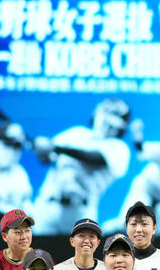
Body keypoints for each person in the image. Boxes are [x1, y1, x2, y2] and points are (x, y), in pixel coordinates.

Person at [31, 98, 133, 231]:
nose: (107, 127)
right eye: (104, 120)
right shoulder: (76, 133)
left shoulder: (119, 148)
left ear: (121, 129)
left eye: (113, 125)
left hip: (81, 212)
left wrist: (55, 147)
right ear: (96, 116)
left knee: (80, 252)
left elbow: (94, 158)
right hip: (47, 206)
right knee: (37, 251)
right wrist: (41, 148)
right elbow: (46, 159)